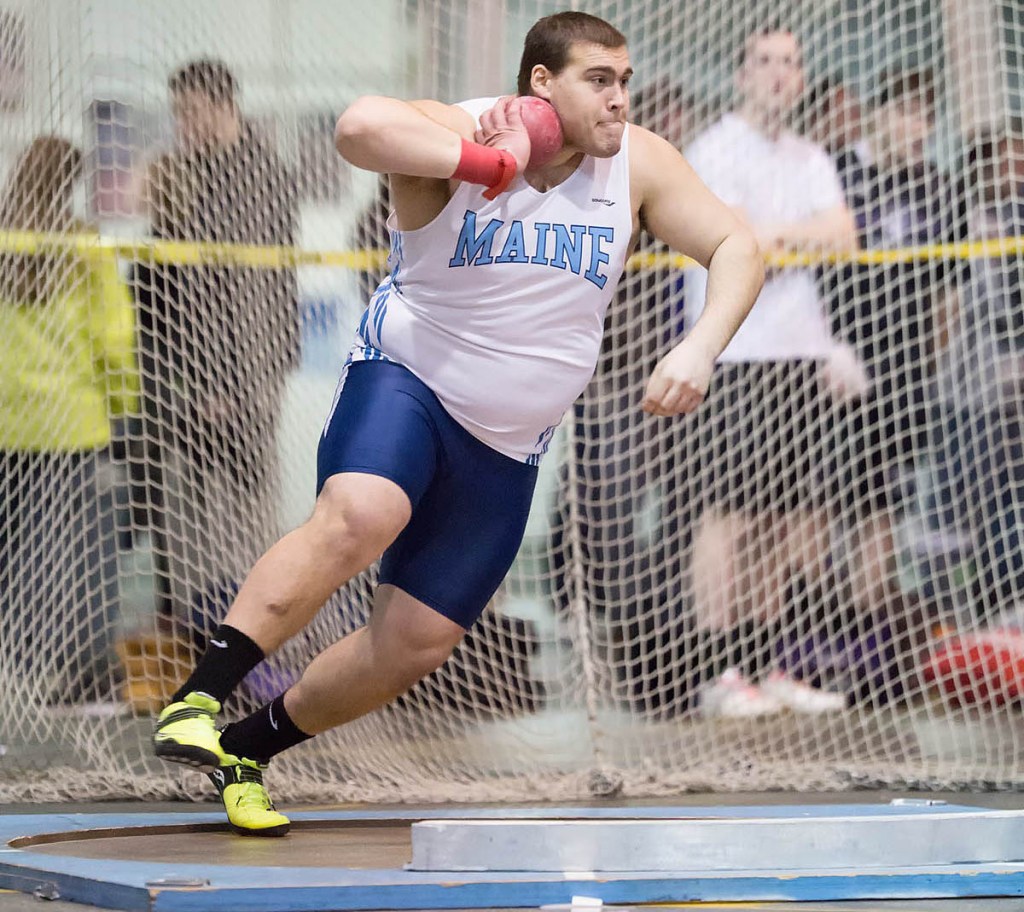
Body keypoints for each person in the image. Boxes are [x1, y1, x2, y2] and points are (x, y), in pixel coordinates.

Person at [150, 11, 764, 836]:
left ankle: (245, 749)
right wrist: (491, 162)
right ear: (541, 82)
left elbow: (736, 246)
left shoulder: (639, 162)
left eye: (624, 80)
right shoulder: (462, 128)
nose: (620, 99)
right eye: (599, 81)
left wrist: (700, 347)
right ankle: (196, 700)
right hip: (410, 383)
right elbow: (358, 127)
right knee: (361, 514)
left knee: (417, 642)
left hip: (508, 446)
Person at [680, 26, 863, 717]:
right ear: (741, 74)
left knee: (783, 519)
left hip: (799, 352)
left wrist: (778, 238)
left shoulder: (812, 155)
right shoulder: (713, 148)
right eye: (765, 62)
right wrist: (790, 239)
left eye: (790, 62)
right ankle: (717, 672)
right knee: (728, 515)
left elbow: (843, 237)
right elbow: (743, 247)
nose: (779, 73)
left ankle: (767, 665)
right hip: (735, 353)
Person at [127, 60, 300, 674]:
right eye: (177, 113)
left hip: (242, 378)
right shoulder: (195, 171)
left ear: (223, 105)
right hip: (196, 379)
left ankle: (254, 650)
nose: (183, 124)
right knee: (196, 520)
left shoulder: (260, 178)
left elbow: (253, 295)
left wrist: (233, 384)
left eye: (191, 111)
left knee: (243, 519)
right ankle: (206, 642)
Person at [0, 136, 139, 707]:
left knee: (17, 553)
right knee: (85, 558)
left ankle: (19, 669)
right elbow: (113, 340)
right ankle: (88, 674)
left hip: (9, 427)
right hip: (75, 425)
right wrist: (124, 406)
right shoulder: (85, 246)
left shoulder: (6, 243)